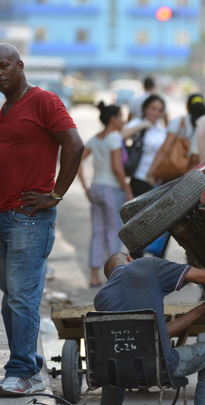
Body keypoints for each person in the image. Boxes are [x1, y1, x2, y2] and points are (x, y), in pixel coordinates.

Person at [0, 43, 84, 396]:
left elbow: (74, 144)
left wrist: (55, 195)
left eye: (5, 66)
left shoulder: (43, 100)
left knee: (22, 297)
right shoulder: (8, 108)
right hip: (2, 216)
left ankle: (23, 372)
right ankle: (24, 367)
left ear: (21, 66)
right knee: (10, 295)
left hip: (28, 218)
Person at [94, 252, 205, 405]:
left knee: (114, 363)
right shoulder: (147, 266)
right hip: (160, 368)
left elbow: (157, 334)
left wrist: (202, 310)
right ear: (130, 259)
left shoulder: (101, 298)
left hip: (127, 373)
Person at [76, 102, 133, 288]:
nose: (123, 121)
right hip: (112, 189)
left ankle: (94, 276)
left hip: (96, 188)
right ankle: (114, 276)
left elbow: (78, 162)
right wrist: (127, 190)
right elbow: (117, 168)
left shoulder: (95, 139)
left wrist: (85, 187)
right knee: (113, 231)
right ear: (113, 119)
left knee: (98, 232)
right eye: (121, 117)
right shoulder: (114, 139)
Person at [147, 92, 205, 186]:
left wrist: (151, 173)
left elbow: (165, 149)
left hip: (174, 174)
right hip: (198, 174)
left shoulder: (178, 122)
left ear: (188, 106)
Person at [122, 93, 167, 197]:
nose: (156, 113)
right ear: (145, 108)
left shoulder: (162, 130)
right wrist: (141, 126)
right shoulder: (137, 123)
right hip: (139, 177)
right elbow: (121, 136)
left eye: (160, 110)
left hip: (157, 179)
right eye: (153, 109)